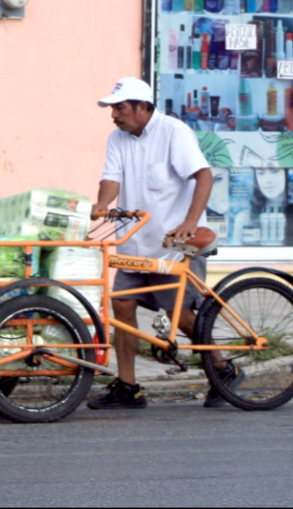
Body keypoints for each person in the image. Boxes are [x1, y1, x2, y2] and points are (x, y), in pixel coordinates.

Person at [87, 77, 242, 411]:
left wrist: (190, 222)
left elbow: (203, 175)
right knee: (122, 309)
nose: (115, 114)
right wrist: (102, 204)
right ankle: (129, 387)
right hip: (134, 243)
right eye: (113, 108)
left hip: (173, 244)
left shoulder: (174, 132)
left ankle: (221, 367)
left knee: (181, 314)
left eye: (120, 107)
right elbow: (111, 177)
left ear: (144, 107)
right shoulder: (118, 137)